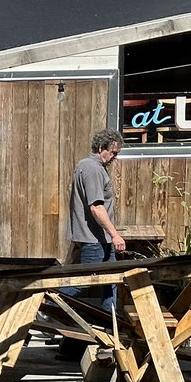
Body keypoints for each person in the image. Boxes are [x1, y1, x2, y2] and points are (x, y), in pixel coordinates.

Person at [60, 128, 125, 313]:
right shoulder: (92, 168)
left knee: (110, 281)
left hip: (101, 239)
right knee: (85, 280)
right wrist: (115, 235)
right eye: (113, 153)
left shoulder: (90, 166)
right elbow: (96, 207)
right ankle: (45, 305)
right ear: (101, 147)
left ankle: (110, 323)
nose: (115, 158)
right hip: (94, 240)